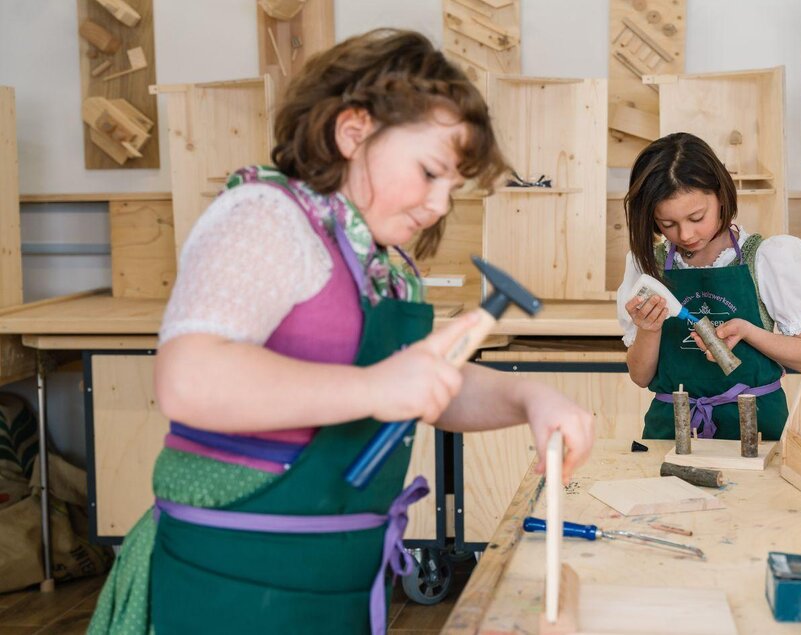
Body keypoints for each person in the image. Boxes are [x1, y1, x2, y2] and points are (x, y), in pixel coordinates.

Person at [89, 29, 594, 635]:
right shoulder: (266, 218)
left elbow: (424, 386)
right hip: (230, 581)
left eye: (452, 188)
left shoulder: (383, 261)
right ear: (353, 132)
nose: (438, 206)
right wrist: (376, 388)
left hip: (339, 585)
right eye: (430, 172)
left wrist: (529, 398)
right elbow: (189, 378)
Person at [617, 132, 801, 442]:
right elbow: (641, 376)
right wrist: (649, 329)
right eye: (667, 224)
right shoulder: (648, 266)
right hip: (672, 433)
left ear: (722, 194)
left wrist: (749, 331)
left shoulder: (766, 257)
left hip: (758, 429)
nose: (685, 234)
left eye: (697, 217)